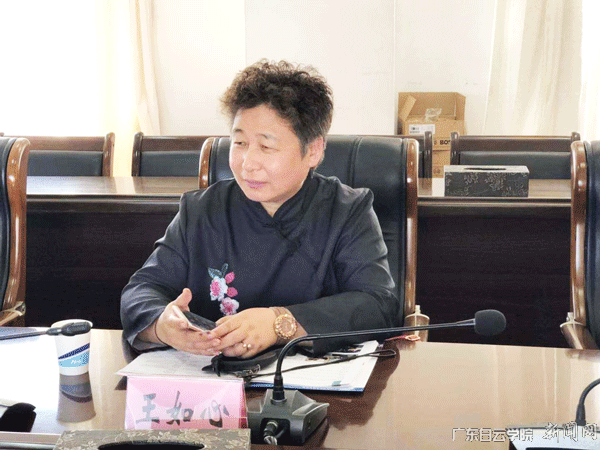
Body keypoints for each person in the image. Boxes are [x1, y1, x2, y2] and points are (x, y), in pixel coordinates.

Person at [121, 60, 399, 358]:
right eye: (239, 142)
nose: (247, 163)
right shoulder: (202, 210)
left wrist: (280, 323)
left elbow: (378, 305)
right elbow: (141, 290)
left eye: (266, 147)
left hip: (311, 381)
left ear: (313, 151)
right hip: (213, 378)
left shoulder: (347, 211)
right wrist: (162, 325)